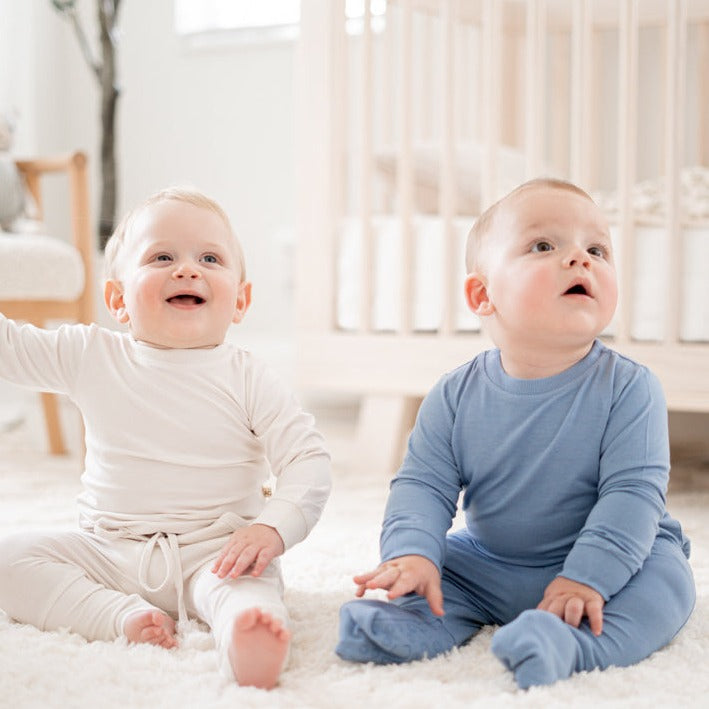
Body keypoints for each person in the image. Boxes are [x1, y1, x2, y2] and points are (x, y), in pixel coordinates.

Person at [335, 178, 695, 688]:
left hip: (616, 561)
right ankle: (411, 625)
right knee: (439, 568)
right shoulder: (453, 395)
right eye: (544, 246)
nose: (580, 258)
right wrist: (411, 553)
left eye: (597, 250)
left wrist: (587, 577)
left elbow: (632, 496)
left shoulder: (631, 388)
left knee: (667, 583)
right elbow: (423, 485)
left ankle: (573, 644)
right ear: (483, 294)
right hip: (492, 562)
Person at [0, 187, 331, 690]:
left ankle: (248, 636)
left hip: (219, 552)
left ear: (240, 300)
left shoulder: (249, 377)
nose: (187, 270)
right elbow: (11, 348)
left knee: (247, 591)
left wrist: (271, 528)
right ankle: (117, 616)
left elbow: (307, 459)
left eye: (210, 259)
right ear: (118, 300)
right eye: (162, 257)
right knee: (9, 561)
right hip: (108, 550)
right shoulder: (92, 355)